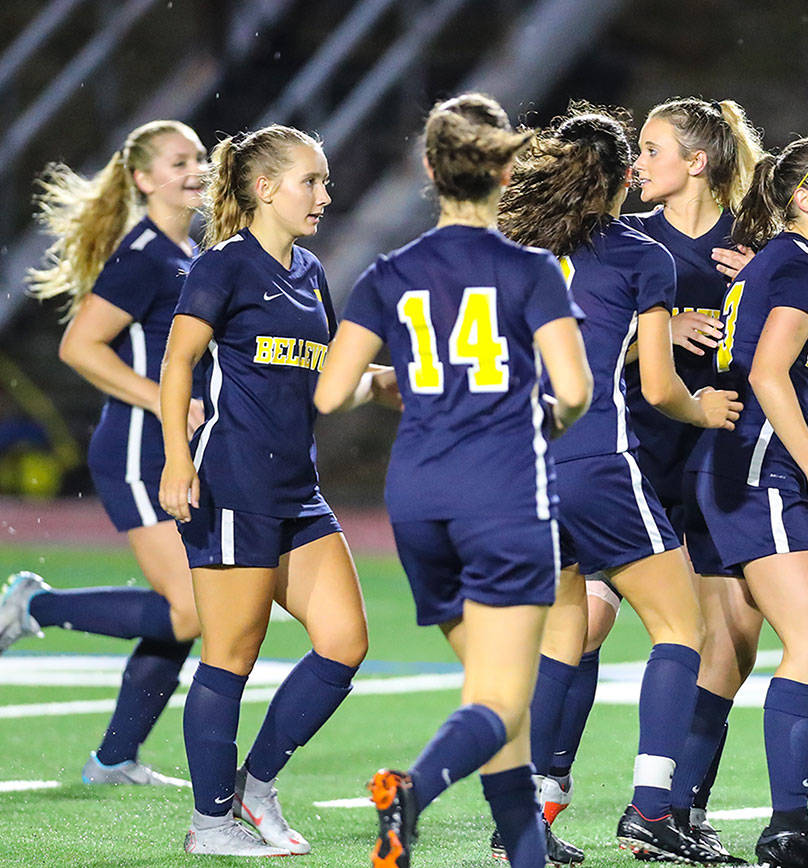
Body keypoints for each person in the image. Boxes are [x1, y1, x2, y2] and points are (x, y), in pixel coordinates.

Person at [314, 93, 591, 868]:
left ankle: (524, 855)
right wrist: (542, 422)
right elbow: (574, 390)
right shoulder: (530, 270)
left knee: (492, 697)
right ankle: (412, 788)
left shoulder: (389, 273)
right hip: (501, 496)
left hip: (419, 501)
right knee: (503, 699)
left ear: (429, 168)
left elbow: (330, 393)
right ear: (506, 169)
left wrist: (382, 384)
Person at [498, 103, 741, 864]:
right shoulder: (640, 254)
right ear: (611, 178)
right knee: (683, 629)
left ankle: (528, 820)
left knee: (564, 631)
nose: (639, 167)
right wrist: (705, 411)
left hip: (519, 468)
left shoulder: (510, 249)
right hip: (598, 460)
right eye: (630, 158)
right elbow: (664, 389)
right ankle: (653, 808)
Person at [157, 124, 383, 857]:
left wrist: (389, 386)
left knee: (345, 643)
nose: (324, 194)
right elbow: (177, 363)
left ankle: (255, 787)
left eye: (323, 182)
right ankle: (209, 823)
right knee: (231, 654)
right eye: (310, 182)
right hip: (233, 484)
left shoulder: (311, 271)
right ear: (264, 189)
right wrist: (175, 461)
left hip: (296, 489)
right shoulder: (223, 265)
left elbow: (324, 383)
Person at [1, 120, 208, 788]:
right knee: (191, 607)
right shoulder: (144, 254)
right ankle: (35, 606)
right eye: (178, 161)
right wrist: (161, 399)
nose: (196, 169)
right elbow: (80, 346)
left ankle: (116, 758)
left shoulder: (190, 251)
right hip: (138, 451)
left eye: (200, 158)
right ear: (144, 179)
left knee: (185, 605)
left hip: (176, 449)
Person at [682, 134, 808, 868]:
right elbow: (767, 373)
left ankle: (676, 811)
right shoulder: (801, 267)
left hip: (728, 469)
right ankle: (786, 828)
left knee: (726, 654)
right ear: (803, 198)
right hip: (763, 471)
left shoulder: (783, 264)